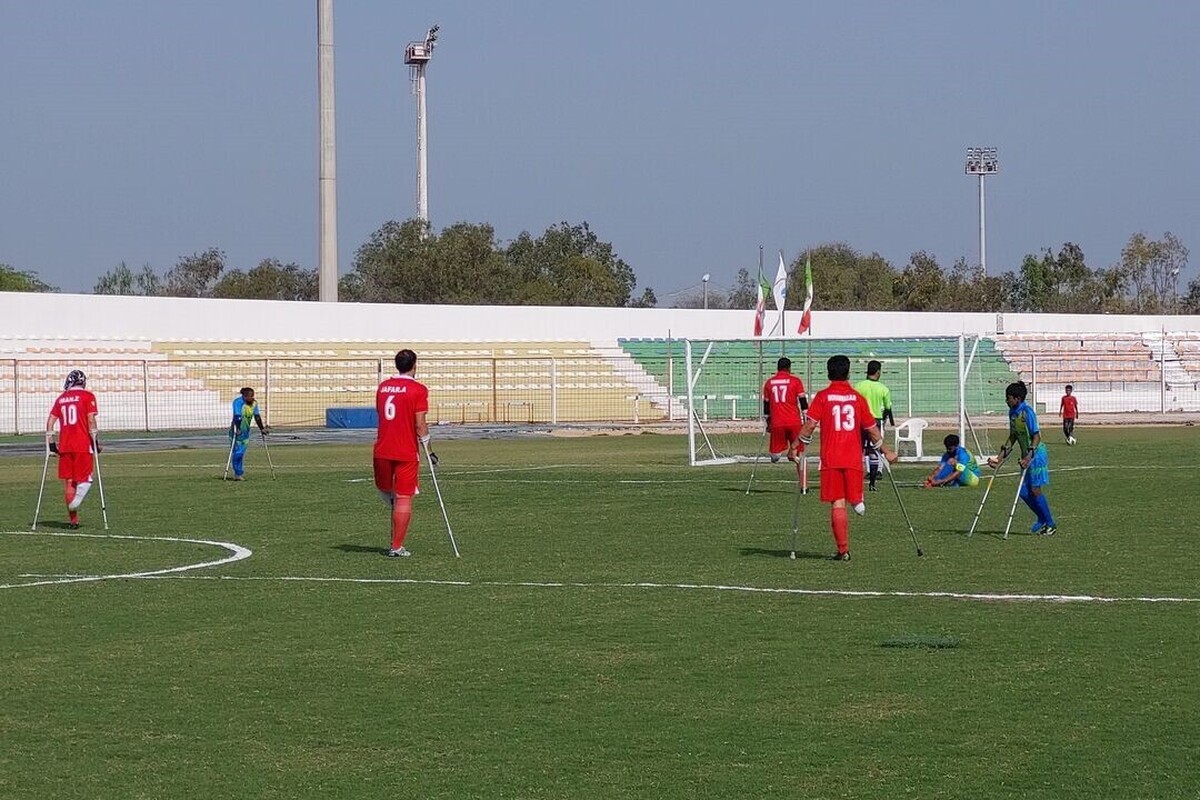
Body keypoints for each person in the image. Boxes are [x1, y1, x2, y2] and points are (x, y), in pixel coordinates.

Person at [799, 355, 897, 561]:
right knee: (850, 495)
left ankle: (843, 550)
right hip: (853, 457)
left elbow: (809, 426)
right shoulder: (857, 398)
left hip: (831, 458)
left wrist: (795, 447)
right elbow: (872, 430)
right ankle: (857, 497)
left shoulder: (823, 396)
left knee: (837, 502)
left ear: (828, 372)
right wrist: (886, 451)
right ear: (849, 372)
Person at [374, 349, 431, 558]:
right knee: (404, 497)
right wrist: (429, 450)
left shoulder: (383, 387)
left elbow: (381, 414)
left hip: (382, 449)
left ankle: (395, 518)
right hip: (406, 450)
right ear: (414, 365)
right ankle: (396, 546)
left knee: (386, 491)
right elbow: (420, 424)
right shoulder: (418, 389)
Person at [988, 380, 1057, 535]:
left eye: (1008, 398)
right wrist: (999, 459)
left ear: (1017, 398)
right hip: (1024, 456)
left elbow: (1036, 436)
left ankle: (1050, 524)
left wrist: (1028, 457)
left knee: (1035, 490)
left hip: (1036, 455)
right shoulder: (1012, 413)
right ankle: (1041, 518)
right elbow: (1013, 437)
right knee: (1024, 492)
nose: (1006, 401)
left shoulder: (1027, 412)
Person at [45, 369, 100, 529]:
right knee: (85, 478)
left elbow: (50, 423)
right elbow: (91, 421)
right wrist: (95, 442)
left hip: (65, 445)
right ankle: (81, 493)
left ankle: (73, 520)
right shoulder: (88, 396)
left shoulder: (61, 398)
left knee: (69, 482)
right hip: (82, 444)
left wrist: (51, 444)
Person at [762, 357, 807, 477]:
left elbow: (766, 404)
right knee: (799, 452)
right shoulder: (796, 381)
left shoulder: (769, 382)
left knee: (775, 457)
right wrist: (805, 416)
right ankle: (802, 482)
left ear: (777, 368)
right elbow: (803, 400)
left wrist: (767, 421)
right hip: (794, 421)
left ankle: (781, 455)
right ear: (789, 368)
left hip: (777, 422)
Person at [854, 359, 894, 491]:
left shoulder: (858, 386)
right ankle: (872, 483)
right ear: (878, 372)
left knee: (858, 451)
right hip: (875, 421)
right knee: (874, 451)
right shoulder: (883, 388)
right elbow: (888, 407)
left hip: (859, 421)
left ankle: (855, 481)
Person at [228, 387, 269, 481]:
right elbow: (237, 416)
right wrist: (237, 429)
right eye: (248, 396)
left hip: (246, 432)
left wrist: (262, 429)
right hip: (235, 431)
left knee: (241, 453)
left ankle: (238, 473)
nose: (251, 398)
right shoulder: (237, 402)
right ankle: (238, 473)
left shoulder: (254, 403)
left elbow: (257, 416)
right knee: (237, 453)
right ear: (244, 396)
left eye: (252, 396)